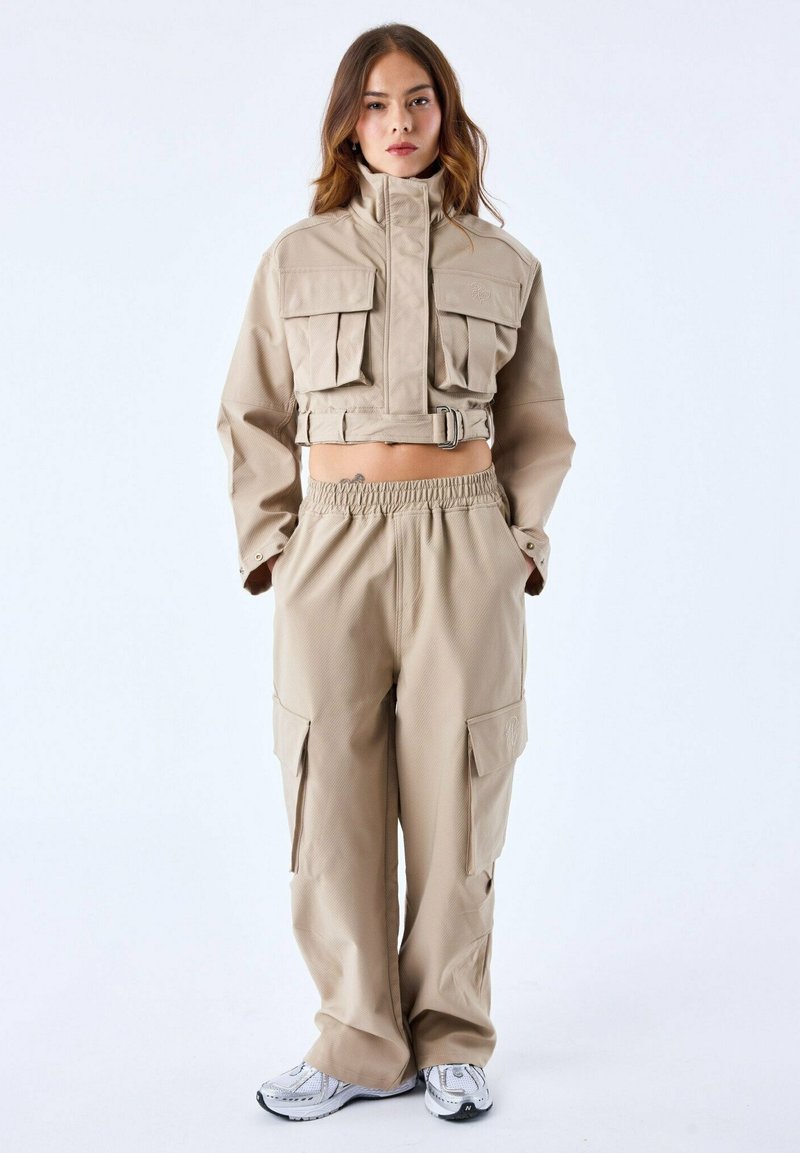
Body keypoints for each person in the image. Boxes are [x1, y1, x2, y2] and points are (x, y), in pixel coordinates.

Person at [216, 23, 576, 1123]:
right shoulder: (294, 258)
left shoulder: (505, 265)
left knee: (460, 791)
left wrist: (517, 544)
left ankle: (451, 1035)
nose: (399, 123)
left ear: (445, 113)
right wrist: (274, 546)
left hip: (464, 540)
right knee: (328, 789)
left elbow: (538, 424)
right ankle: (357, 1038)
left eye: (417, 100)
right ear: (347, 124)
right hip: (331, 542)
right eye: (374, 105)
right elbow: (249, 413)